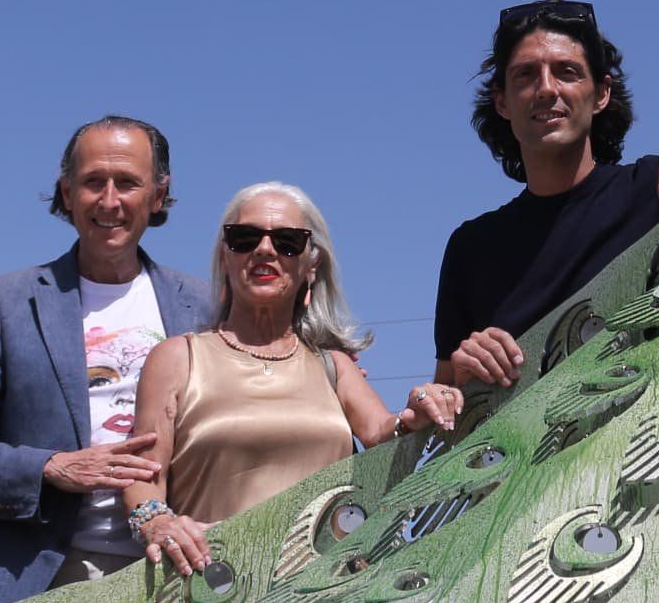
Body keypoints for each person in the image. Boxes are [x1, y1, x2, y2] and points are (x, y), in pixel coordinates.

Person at [433, 0, 659, 389]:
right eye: (526, 75)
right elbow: (442, 402)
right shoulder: (471, 249)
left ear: (601, 94)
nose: (546, 89)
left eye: (567, 72)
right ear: (502, 102)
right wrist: (460, 375)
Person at [0, 115, 213, 603]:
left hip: (175, 576)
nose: (109, 201)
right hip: (31, 582)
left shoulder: (208, 308)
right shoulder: (2, 302)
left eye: (127, 183)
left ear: (159, 194)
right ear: (65, 191)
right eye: (92, 182)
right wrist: (53, 468)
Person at [122, 183, 462, 573]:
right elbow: (144, 474)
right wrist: (158, 523)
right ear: (224, 255)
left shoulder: (333, 365)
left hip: (325, 599)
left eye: (287, 242)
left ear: (311, 265)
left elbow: (385, 433)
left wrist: (420, 406)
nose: (265, 250)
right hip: (211, 593)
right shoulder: (177, 358)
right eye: (245, 238)